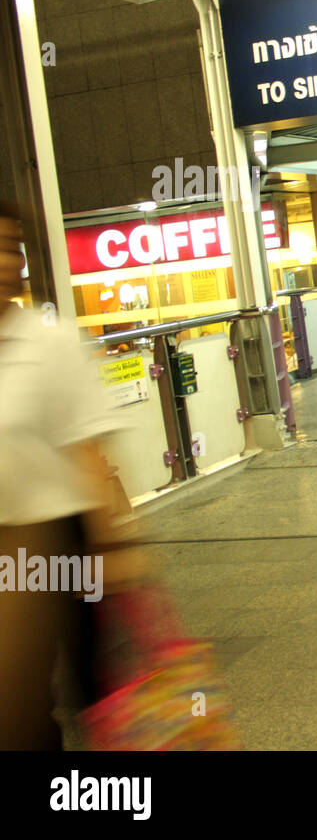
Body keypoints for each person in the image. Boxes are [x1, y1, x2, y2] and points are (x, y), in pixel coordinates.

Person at [0, 199, 144, 748]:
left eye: (12, 249)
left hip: (60, 539)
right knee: (23, 701)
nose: (6, 263)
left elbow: (88, 450)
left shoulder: (49, 342)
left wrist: (114, 547)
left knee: (94, 690)